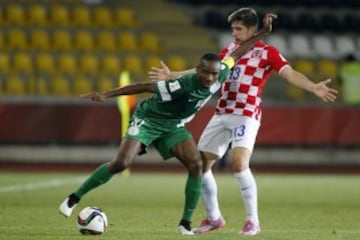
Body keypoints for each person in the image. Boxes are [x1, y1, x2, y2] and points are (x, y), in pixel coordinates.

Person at [58, 12, 276, 236]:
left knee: (196, 165)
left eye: (214, 74)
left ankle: (185, 224)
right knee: (121, 163)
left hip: (173, 126)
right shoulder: (183, 85)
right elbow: (143, 86)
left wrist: (263, 33)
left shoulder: (221, 73)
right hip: (150, 120)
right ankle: (74, 198)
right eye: (206, 74)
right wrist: (106, 94)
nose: (211, 79)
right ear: (198, 70)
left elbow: (239, 51)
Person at [149, 7, 338, 236]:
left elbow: (290, 73)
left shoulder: (268, 53)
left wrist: (313, 87)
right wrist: (172, 75)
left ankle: (252, 221)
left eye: (238, 29)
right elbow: (202, 71)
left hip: (246, 114)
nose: (234, 33)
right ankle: (214, 217)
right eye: (232, 28)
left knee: (238, 163)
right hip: (222, 113)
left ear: (251, 29)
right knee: (199, 166)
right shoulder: (230, 50)